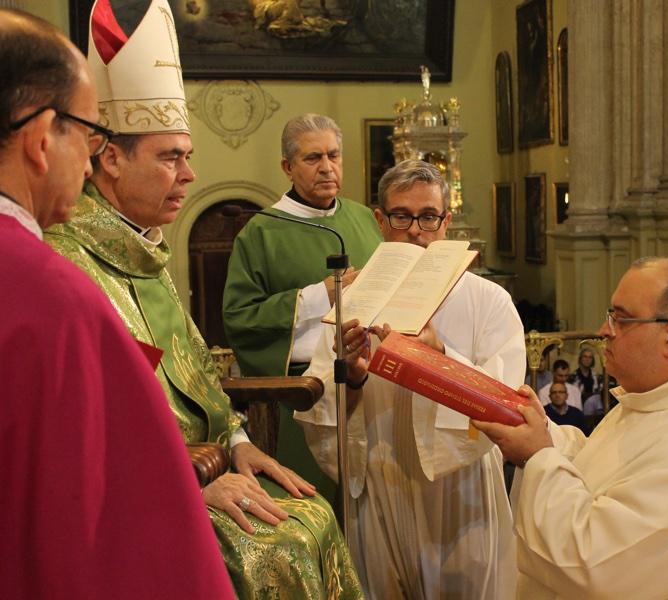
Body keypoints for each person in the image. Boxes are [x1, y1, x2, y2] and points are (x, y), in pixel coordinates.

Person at [44, 2, 361, 597]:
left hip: (205, 463)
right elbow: (89, 429)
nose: (190, 174)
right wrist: (184, 485)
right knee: (279, 549)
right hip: (142, 494)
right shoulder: (67, 264)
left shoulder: (146, 253)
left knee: (313, 513)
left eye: (187, 155)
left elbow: (196, 368)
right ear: (109, 158)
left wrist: (239, 443)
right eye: (171, 157)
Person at [0, 8, 233, 598]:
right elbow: (104, 516)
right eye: (86, 132)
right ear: (38, 138)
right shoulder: (52, 294)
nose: (89, 157)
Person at [474, 257, 668, 600]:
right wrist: (541, 431)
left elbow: (594, 564)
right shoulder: (664, 401)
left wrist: (539, 455)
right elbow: (600, 470)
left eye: (621, 319)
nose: (605, 331)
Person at [298, 159, 524, 599]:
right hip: (381, 478)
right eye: (401, 216)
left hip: (460, 488)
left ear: (446, 221)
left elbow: (505, 401)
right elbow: (321, 407)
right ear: (381, 221)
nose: (416, 231)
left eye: (428, 217)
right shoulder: (353, 299)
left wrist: (439, 356)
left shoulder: (489, 300)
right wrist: (354, 378)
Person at [222, 112, 382, 481]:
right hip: (304, 395)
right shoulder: (261, 232)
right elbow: (240, 318)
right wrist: (319, 296)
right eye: (313, 158)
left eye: (334, 155)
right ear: (287, 166)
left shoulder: (364, 219)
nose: (327, 167)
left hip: (373, 387)